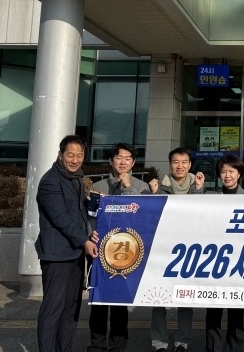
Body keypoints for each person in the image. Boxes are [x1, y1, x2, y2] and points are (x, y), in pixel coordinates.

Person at [36, 135, 99, 352]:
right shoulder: (50, 181)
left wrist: (91, 202)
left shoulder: (75, 178)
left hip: (74, 254)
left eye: (79, 155)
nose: (75, 160)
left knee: (70, 310)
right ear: (60, 154)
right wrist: (84, 241)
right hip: (56, 256)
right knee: (53, 310)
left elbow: (75, 211)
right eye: (70, 155)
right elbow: (61, 218)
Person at [87, 143, 150, 352]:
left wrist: (127, 186)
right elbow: (89, 216)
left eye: (128, 158)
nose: (123, 162)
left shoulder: (142, 186)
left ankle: (118, 346)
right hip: (100, 251)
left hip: (128, 251)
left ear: (133, 163)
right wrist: (91, 234)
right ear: (111, 160)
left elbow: (143, 214)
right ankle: (97, 345)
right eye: (119, 157)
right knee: (98, 301)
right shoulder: (98, 186)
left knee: (120, 302)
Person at [148, 147, 205, 352]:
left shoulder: (199, 187)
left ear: (190, 165)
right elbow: (150, 217)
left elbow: (201, 215)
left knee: (185, 300)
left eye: (184, 162)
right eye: (175, 162)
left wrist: (198, 190)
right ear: (170, 164)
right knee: (158, 300)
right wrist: (154, 195)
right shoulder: (160, 186)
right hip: (162, 251)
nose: (179, 166)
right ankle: (159, 344)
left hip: (189, 251)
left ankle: (183, 342)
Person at [205, 154, 244, 352]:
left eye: (232, 171)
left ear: (239, 174)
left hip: (238, 263)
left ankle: (234, 348)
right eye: (223, 171)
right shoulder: (210, 198)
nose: (227, 175)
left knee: (236, 313)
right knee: (213, 312)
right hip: (214, 262)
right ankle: (213, 348)